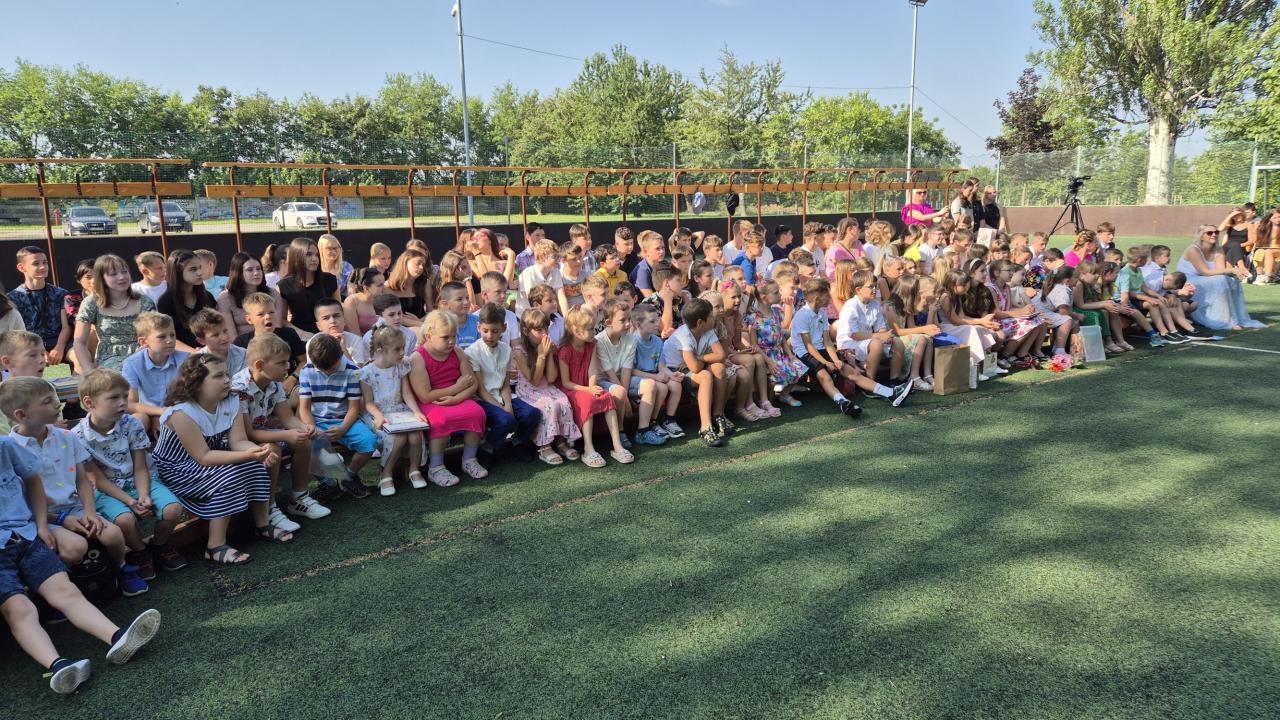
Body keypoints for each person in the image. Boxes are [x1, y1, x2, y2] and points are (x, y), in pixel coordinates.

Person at [0, 418, 161, 694]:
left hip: (25, 536)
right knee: (19, 610)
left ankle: (118, 637)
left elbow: (33, 481)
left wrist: (41, 524)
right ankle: (58, 666)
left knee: (67, 591)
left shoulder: (5, 447)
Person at [3, 376, 141, 593]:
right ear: (21, 415)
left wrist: (90, 513)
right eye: (47, 401)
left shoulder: (67, 437)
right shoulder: (10, 449)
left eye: (54, 397)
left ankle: (120, 569)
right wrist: (60, 520)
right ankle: (55, 587)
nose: (57, 404)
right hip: (40, 518)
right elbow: (23, 501)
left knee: (113, 534)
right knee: (75, 548)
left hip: (75, 507)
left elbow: (82, 480)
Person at [153, 354, 285, 566]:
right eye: (218, 376)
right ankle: (215, 546)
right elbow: (203, 457)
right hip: (178, 469)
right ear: (196, 383)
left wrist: (259, 451)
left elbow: (239, 441)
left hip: (212, 456)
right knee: (229, 474)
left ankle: (262, 525)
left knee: (255, 466)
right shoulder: (182, 412)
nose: (226, 380)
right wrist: (247, 454)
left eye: (226, 374)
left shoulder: (232, 400)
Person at [74, 369, 187, 581]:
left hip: (139, 480)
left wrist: (143, 495)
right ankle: (139, 551)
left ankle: (159, 546)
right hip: (106, 490)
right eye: (113, 398)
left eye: (125, 397)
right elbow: (97, 480)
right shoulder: (78, 437)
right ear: (89, 403)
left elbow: (140, 467)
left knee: (173, 509)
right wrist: (130, 501)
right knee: (124, 520)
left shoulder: (131, 424)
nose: (122, 403)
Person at [232, 334, 328, 527]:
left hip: (265, 433)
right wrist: (286, 434)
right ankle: (269, 507)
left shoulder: (274, 384)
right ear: (260, 365)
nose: (288, 367)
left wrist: (306, 428)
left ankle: (298, 497)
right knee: (272, 449)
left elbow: (288, 419)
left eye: (287, 361)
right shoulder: (239, 390)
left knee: (303, 439)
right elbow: (248, 434)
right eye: (282, 363)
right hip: (240, 442)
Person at [408, 310, 488, 486]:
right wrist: (456, 388)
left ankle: (469, 460)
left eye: (454, 336)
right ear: (429, 336)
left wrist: (457, 398)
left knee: (476, 412)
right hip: (431, 403)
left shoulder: (458, 352)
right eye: (445, 337)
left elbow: (472, 383)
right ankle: (436, 467)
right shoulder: (418, 358)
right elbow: (425, 395)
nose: (452, 341)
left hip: (456, 399)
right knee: (440, 419)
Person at [298, 334, 376, 498]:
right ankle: (329, 483)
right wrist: (312, 428)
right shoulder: (307, 370)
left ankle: (349, 477)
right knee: (303, 445)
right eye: (322, 369)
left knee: (369, 441)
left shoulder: (353, 371)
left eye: (332, 368)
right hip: (316, 421)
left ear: (341, 354)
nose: (327, 372)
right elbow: (304, 408)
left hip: (345, 420)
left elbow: (354, 408)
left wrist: (343, 429)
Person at [555, 308, 633, 468]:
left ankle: (617, 445)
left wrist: (592, 388)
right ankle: (588, 449)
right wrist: (588, 391)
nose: (595, 331)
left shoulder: (592, 344)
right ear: (576, 331)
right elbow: (566, 383)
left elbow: (592, 370)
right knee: (587, 401)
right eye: (591, 329)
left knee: (606, 397)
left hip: (586, 386)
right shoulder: (565, 350)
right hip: (572, 389)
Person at [466, 303, 541, 466]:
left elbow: (505, 385)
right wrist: (502, 408)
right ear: (478, 327)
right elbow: (480, 390)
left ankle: (518, 441)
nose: (490, 335)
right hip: (482, 400)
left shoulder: (506, 350)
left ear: (504, 328)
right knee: (507, 420)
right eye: (485, 330)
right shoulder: (472, 352)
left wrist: (507, 404)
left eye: (495, 331)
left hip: (503, 396)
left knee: (532, 414)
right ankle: (487, 448)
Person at [358, 326, 429, 495]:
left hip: (400, 410)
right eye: (397, 349)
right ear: (381, 351)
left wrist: (416, 412)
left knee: (415, 434)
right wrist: (378, 416)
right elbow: (368, 403)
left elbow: (406, 393)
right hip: (378, 413)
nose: (402, 353)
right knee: (398, 437)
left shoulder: (401, 366)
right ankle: (386, 473)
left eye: (403, 348)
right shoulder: (367, 372)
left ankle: (414, 469)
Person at [511, 308, 582, 465]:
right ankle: (545, 447)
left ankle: (561, 442)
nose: (544, 333)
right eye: (539, 330)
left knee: (563, 401)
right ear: (526, 331)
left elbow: (550, 377)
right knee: (549, 405)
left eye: (545, 329)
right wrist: (541, 355)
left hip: (546, 387)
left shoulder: (548, 346)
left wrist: (548, 354)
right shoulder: (519, 351)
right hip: (528, 391)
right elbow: (534, 381)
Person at [662, 299, 729, 447]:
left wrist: (698, 357)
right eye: (710, 316)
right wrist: (698, 360)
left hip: (692, 365)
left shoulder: (708, 330)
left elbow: (721, 355)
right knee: (705, 376)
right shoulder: (683, 335)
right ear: (700, 322)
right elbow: (695, 368)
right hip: (675, 372)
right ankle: (705, 428)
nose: (714, 318)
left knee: (719, 368)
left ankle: (718, 415)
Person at [73, 255, 156, 373]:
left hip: (143, 354)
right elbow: (78, 341)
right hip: (108, 358)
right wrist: (89, 371)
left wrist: (133, 359)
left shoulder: (145, 302)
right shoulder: (89, 302)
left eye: (124, 272)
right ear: (101, 278)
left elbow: (154, 336)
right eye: (113, 274)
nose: (121, 277)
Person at [1177, 224, 1265, 330]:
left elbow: (1220, 270)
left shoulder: (1218, 250)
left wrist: (1234, 274)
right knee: (1221, 280)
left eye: (1216, 232)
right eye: (1209, 233)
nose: (1214, 235)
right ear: (1201, 236)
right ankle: (1226, 320)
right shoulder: (1193, 250)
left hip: (1207, 278)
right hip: (1188, 280)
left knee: (1232, 281)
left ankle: (1236, 317)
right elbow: (1205, 272)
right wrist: (1232, 270)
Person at [122, 312, 190, 436]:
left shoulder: (185, 359)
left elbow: (190, 395)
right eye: (162, 337)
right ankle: (134, 448)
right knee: (138, 419)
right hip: (147, 412)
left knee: (179, 418)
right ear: (143, 342)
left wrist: (165, 415)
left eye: (172, 335)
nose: (170, 340)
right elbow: (130, 404)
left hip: (177, 410)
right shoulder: (132, 363)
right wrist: (158, 413)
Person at [836, 269, 907, 387]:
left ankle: (894, 381)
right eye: (871, 287)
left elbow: (881, 327)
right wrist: (879, 336)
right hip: (848, 343)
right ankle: (870, 384)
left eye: (876, 286)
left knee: (898, 342)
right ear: (858, 290)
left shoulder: (874, 304)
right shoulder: (851, 306)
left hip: (866, 340)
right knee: (877, 344)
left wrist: (885, 335)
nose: (875, 290)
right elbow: (854, 335)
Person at [743, 280, 807, 407]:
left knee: (800, 367)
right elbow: (754, 345)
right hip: (765, 358)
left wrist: (790, 354)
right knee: (771, 391)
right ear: (764, 298)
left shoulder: (776, 311)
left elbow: (781, 336)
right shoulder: (754, 317)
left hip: (778, 354)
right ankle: (767, 397)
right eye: (776, 292)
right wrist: (769, 362)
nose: (780, 295)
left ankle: (784, 394)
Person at [627, 305, 685, 440]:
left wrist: (672, 375)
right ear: (638, 325)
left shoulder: (658, 341)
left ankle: (669, 420)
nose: (657, 324)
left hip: (654, 376)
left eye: (657, 320)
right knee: (662, 387)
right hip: (639, 378)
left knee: (676, 385)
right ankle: (652, 423)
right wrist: (656, 377)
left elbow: (661, 365)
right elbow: (630, 371)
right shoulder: (632, 342)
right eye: (652, 321)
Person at [232, 292, 308, 389]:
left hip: (289, 387)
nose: (268, 316)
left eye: (271, 312)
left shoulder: (289, 334)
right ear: (249, 319)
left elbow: (304, 361)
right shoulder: (241, 342)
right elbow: (236, 373)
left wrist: (293, 378)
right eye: (260, 314)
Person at [9, 246, 69, 365]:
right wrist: (39, 350)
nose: (43, 267)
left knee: (79, 356)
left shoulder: (61, 294)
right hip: (27, 344)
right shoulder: (12, 298)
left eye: (45, 262)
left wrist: (60, 347)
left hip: (58, 342)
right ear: (21, 267)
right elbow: (17, 332)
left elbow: (66, 327)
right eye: (36, 263)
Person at [939, 270, 1001, 379]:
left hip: (955, 325)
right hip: (946, 326)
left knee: (980, 329)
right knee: (971, 330)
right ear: (952, 284)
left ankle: (989, 365)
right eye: (963, 285)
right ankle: (975, 368)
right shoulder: (945, 297)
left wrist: (983, 323)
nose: (966, 287)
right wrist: (981, 321)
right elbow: (955, 320)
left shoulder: (957, 296)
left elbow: (962, 317)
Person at [987, 260, 1048, 365]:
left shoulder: (1006, 287)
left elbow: (1010, 307)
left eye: (1012, 270)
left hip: (1006, 319)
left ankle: (1020, 354)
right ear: (997, 273)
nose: (1011, 273)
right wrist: (1021, 312)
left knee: (1038, 321)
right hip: (996, 322)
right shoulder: (991, 289)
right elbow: (996, 313)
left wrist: (1028, 311)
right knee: (1028, 323)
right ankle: (1005, 354)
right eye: (1008, 270)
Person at [156, 249, 217, 352]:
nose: (200, 273)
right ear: (178, 272)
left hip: (209, 351)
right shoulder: (166, 302)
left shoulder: (207, 297)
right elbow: (167, 337)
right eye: (193, 269)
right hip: (181, 354)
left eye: (200, 267)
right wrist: (195, 352)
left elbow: (216, 328)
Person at [277, 238, 340, 336]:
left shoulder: (330, 280)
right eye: (309, 254)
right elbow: (282, 320)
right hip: (299, 336)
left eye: (316, 255)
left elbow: (338, 312)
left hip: (328, 334)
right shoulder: (284, 286)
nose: (314, 259)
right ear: (296, 257)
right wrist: (304, 335)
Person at [218, 252, 287, 337]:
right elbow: (231, 336)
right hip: (241, 344)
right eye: (250, 270)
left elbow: (277, 327)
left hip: (272, 341)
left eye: (258, 269)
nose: (256, 273)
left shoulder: (273, 293)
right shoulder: (225, 298)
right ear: (238, 273)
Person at [1029, 266, 1079, 357]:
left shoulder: (1058, 286)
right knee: (1067, 319)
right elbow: (1063, 311)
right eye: (1076, 277)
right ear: (1067, 280)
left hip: (1040, 310)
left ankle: (1076, 350)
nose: (1078, 279)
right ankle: (1059, 351)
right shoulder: (1062, 290)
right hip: (1038, 312)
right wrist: (1077, 315)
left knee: (1074, 321)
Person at [312, 297, 369, 368]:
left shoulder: (355, 340)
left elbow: (358, 371)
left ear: (344, 320)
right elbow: (313, 371)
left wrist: (342, 348)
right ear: (319, 326)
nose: (332, 321)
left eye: (336, 316)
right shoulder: (313, 343)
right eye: (326, 318)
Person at [192, 308, 248, 376]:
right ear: (201, 341)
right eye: (215, 335)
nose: (224, 337)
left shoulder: (243, 355)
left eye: (225, 331)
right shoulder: (196, 362)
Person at [517, 239, 568, 315]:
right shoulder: (529, 273)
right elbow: (532, 300)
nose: (558, 260)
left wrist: (566, 318)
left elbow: (561, 295)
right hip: (530, 316)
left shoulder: (555, 271)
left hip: (549, 314)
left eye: (558, 256)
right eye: (554, 257)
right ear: (542, 258)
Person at [343, 267, 385, 336]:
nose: (384, 287)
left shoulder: (384, 299)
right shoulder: (352, 301)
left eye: (383, 283)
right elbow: (355, 335)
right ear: (366, 288)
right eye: (380, 285)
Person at [628, 230, 667, 299]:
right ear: (646, 252)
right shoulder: (642, 271)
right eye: (657, 248)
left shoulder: (664, 265)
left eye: (663, 247)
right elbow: (651, 298)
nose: (661, 251)